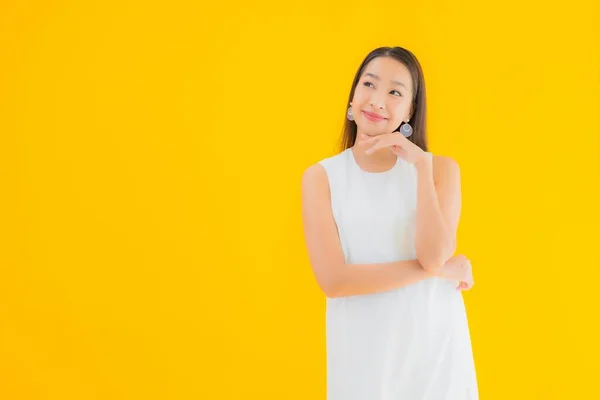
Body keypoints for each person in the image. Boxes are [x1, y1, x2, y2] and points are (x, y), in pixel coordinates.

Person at [301, 46, 479, 399]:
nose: (377, 101)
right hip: (364, 357)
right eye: (369, 84)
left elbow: (433, 254)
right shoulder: (323, 177)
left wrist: (421, 167)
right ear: (352, 99)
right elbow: (335, 281)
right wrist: (443, 270)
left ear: (411, 109)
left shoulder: (440, 170)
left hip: (437, 353)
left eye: (395, 91)